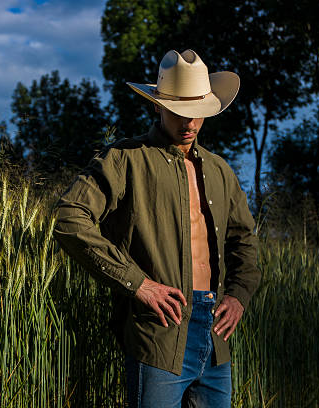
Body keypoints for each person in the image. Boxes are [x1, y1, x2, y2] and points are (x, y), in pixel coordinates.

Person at [52, 49, 260, 407]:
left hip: (216, 338)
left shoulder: (221, 170)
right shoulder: (125, 159)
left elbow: (245, 242)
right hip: (159, 332)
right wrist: (138, 283)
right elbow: (69, 217)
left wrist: (239, 295)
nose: (189, 123)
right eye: (180, 112)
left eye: (198, 113)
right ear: (157, 106)